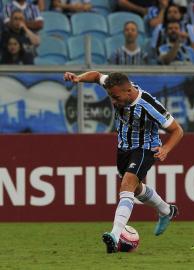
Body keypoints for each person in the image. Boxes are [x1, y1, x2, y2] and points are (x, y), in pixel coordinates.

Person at [63, 71, 184, 253]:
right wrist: (79, 78)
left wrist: (166, 149)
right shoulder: (115, 86)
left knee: (127, 185)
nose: (113, 101)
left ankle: (114, 234)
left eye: (116, 97)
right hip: (123, 148)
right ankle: (166, 210)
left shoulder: (149, 106)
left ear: (128, 91)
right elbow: (96, 76)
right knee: (136, 188)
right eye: (111, 96)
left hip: (145, 149)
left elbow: (177, 130)